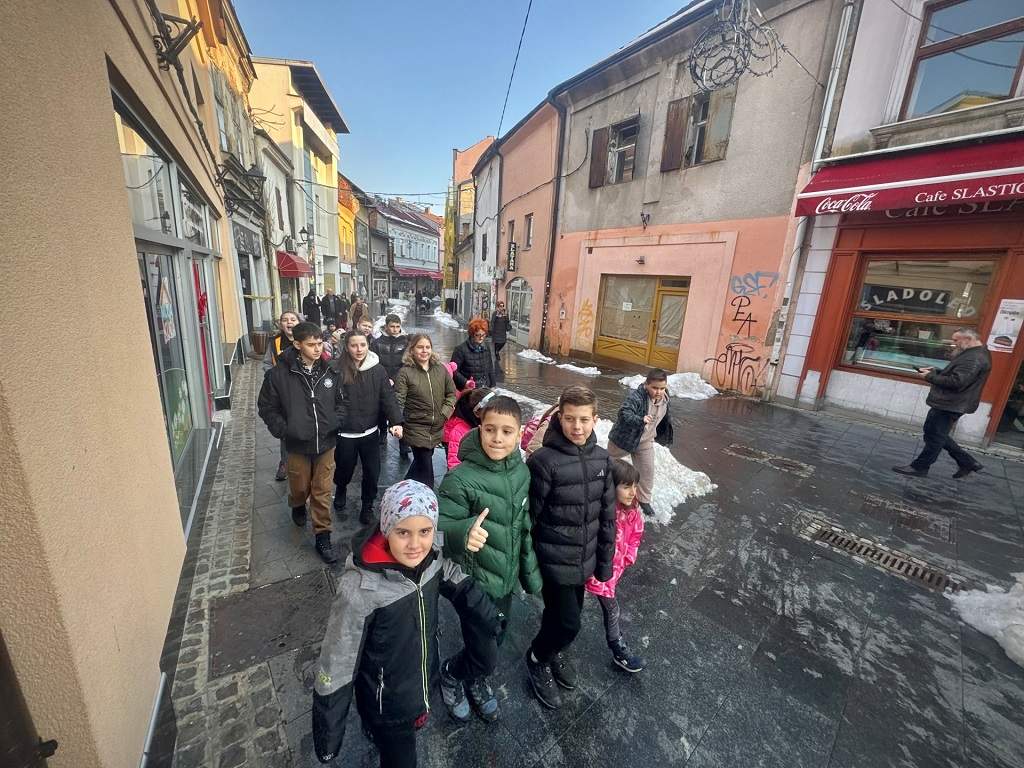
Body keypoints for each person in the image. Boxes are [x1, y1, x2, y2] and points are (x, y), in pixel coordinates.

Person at [312, 480, 500, 766]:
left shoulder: (431, 557)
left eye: (424, 531)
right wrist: (328, 735)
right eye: (403, 532)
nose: (415, 544)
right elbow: (338, 660)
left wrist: (490, 616)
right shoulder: (361, 589)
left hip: (421, 676)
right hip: (386, 703)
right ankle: (373, 728)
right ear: (387, 529)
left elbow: (456, 578)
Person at [436, 395, 541, 722]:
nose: (497, 438)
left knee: (498, 635)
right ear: (479, 429)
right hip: (473, 583)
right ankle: (452, 674)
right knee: (484, 651)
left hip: (505, 581)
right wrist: (463, 532)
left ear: (519, 433)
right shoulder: (460, 479)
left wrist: (530, 574)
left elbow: (523, 527)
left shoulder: (521, 474)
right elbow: (436, 530)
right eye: (490, 429)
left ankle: (476, 678)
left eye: (506, 431)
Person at [524, 385, 615, 709]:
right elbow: (529, 517)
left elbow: (607, 516)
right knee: (569, 623)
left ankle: (554, 649)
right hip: (552, 559)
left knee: (560, 617)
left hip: (583, 559)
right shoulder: (544, 461)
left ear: (595, 420)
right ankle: (537, 657)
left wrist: (604, 563)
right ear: (559, 417)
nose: (577, 427)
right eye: (570, 419)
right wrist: (527, 566)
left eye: (584, 420)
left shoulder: (602, 459)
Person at [257, 322, 343, 564]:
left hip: (326, 442)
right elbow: (267, 406)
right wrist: (284, 430)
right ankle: (296, 503)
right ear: (297, 344)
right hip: (297, 444)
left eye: (320, 344)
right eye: (311, 345)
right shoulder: (278, 375)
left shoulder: (330, 371)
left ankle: (323, 536)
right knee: (300, 486)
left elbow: (342, 401)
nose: (318, 349)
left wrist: (336, 421)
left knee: (322, 490)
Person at [893, 328, 991, 478]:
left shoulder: (974, 357)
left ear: (968, 339)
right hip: (952, 402)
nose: (954, 343)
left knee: (935, 436)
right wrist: (937, 371)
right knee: (935, 433)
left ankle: (920, 467)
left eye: (956, 340)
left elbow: (957, 382)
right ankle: (968, 462)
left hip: (951, 403)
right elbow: (959, 376)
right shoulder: (975, 353)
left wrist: (929, 377)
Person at [332, 330, 404, 525]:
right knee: (344, 469)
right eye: (354, 345)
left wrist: (396, 421)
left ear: (368, 345)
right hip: (345, 433)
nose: (359, 349)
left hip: (370, 431)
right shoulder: (336, 369)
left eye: (362, 345)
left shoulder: (377, 369)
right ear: (347, 347)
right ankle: (341, 488)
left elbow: (388, 397)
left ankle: (367, 506)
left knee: (372, 472)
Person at [584, 459, 647, 673]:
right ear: (612, 486)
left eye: (635, 486)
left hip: (611, 571)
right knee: (611, 610)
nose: (632, 492)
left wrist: (629, 556)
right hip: (593, 570)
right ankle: (618, 648)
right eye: (626, 486)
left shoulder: (632, 513)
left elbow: (636, 535)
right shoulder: (601, 511)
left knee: (607, 608)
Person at [607, 368, 673, 517]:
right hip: (624, 439)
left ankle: (644, 500)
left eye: (662, 388)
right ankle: (603, 491)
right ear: (646, 384)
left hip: (645, 441)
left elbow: (664, 416)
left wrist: (665, 434)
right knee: (608, 464)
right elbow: (624, 412)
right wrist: (640, 419)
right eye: (654, 388)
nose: (658, 392)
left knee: (647, 471)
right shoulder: (637, 397)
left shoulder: (665, 397)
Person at [395, 334, 457, 488]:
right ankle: (429, 495)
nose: (424, 351)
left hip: (436, 426)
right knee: (426, 469)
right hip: (416, 427)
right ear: (412, 350)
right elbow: (399, 400)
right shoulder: (405, 372)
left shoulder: (440, 369)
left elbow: (451, 394)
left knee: (420, 463)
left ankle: (402, 488)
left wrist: (444, 414)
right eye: (420, 347)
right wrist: (397, 423)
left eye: (427, 347)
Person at [264, 310, 301, 481]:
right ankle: (285, 462)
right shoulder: (275, 342)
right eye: (285, 320)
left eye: (293, 319)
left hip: (304, 390)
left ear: (299, 322)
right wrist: (274, 378)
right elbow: (267, 364)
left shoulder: (306, 339)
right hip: (283, 393)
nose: (289, 322)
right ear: (281, 324)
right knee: (286, 427)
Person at [371, 314, 410, 450]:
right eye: (392, 326)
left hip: (400, 381)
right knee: (382, 408)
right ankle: (383, 432)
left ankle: (403, 441)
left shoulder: (405, 342)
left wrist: (395, 378)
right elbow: (374, 361)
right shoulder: (377, 343)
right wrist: (384, 378)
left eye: (397, 327)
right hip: (382, 380)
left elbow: (407, 362)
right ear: (386, 326)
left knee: (401, 408)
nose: (395, 329)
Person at [443, 388, 492, 470]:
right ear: (477, 413)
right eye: (490, 412)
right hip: (466, 473)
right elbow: (454, 463)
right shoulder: (460, 431)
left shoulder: (487, 424)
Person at [451, 319, 496, 389]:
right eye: (477, 335)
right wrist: (465, 382)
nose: (481, 338)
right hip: (468, 389)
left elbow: (490, 367)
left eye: (483, 335)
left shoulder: (486, 347)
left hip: (485, 388)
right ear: (472, 334)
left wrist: (493, 385)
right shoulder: (460, 349)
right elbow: (454, 371)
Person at [489, 300, 511, 367]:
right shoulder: (495, 313)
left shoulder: (505, 313)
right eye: (500, 306)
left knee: (503, 342)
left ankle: (497, 351)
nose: (502, 307)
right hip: (496, 331)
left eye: (503, 306)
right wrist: (491, 329)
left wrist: (506, 316)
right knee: (496, 343)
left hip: (502, 331)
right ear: (497, 307)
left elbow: (507, 321)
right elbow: (492, 322)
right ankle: (496, 353)